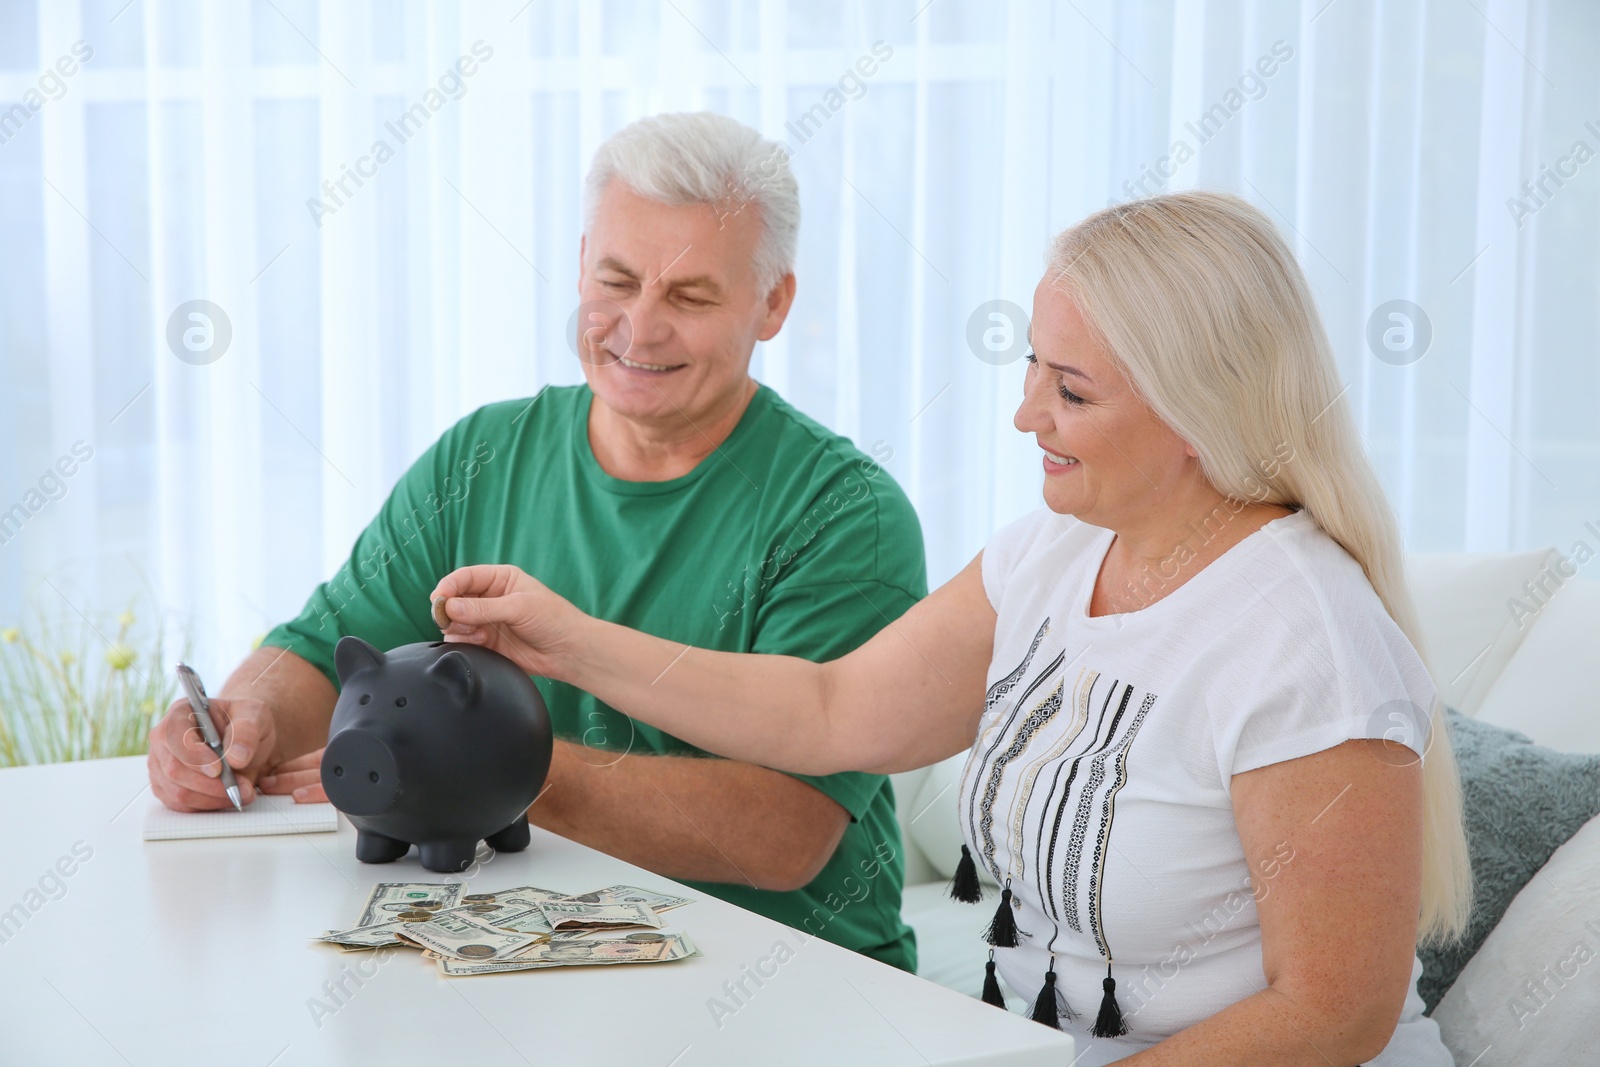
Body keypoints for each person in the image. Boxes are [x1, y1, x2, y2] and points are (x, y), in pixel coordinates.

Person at [424, 192, 1473, 1065]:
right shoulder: (1053, 552)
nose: (1026, 415)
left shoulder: (1301, 640)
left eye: (1069, 389)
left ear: (1201, 411)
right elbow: (833, 709)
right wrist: (571, 640)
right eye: (1031, 367)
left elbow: (1330, 1012)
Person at [146, 112, 924, 973]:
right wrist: (239, 719)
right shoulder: (484, 456)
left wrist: (475, 769)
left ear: (773, 301)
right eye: (616, 281)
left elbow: (782, 833)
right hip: (521, 961)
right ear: (583, 259)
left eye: (690, 296)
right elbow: (322, 649)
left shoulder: (846, 513)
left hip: (791, 979)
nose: (638, 328)